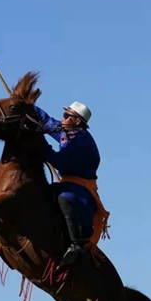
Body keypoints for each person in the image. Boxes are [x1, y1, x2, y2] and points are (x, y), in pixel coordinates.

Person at [33, 100, 105, 265]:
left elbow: (61, 162)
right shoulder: (68, 132)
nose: (62, 118)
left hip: (81, 191)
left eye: (66, 116)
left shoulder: (82, 141)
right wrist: (27, 106)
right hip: (68, 184)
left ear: (77, 121)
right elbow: (46, 121)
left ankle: (77, 244)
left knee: (64, 198)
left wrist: (42, 145)